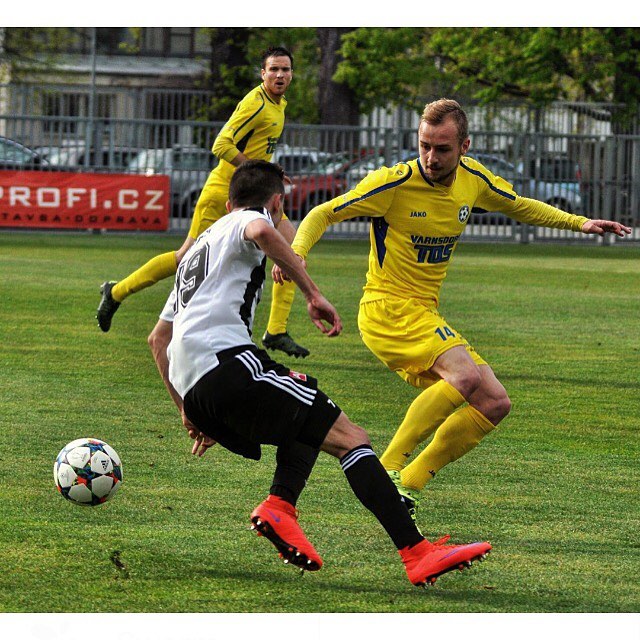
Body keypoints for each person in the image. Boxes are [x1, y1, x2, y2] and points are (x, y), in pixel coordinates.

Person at [283, 98, 632, 523]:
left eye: (442, 148)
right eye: (424, 145)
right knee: (464, 376)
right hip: (386, 309)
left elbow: (519, 204)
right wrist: (297, 252)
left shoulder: (473, 180)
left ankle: (408, 485)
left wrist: (579, 223)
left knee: (494, 402)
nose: (431, 157)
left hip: (423, 312)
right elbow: (322, 212)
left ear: (464, 146)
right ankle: (386, 467)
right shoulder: (393, 183)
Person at [155, 158, 492, 587]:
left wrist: (187, 410)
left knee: (306, 406)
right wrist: (312, 293)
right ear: (276, 204)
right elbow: (261, 231)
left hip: (195, 384)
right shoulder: (253, 220)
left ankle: (280, 506)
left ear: (227, 202)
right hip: (229, 364)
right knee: (352, 438)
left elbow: (157, 340)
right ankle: (417, 552)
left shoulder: (199, 249)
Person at [97, 46, 309, 358]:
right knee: (184, 257)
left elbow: (255, 148)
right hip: (224, 192)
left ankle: (276, 330)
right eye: (274, 69)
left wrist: (269, 171)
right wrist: (257, 169)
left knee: (292, 249)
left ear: (291, 74)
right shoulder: (256, 103)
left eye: (285, 69)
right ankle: (116, 292)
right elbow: (221, 144)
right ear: (262, 73)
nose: (280, 75)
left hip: (254, 192)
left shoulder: (278, 104)